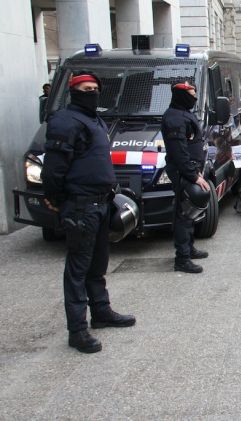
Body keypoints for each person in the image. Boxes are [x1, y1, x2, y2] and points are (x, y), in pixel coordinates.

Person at [41, 71, 135, 353]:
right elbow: (54, 169)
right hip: (81, 204)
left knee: (98, 264)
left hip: (101, 202)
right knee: (78, 270)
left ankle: (101, 311)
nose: (91, 92)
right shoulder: (65, 121)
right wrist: (56, 200)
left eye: (95, 87)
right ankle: (78, 330)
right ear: (74, 91)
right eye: (85, 88)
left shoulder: (94, 119)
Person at [162, 82, 211, 274]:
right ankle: (182, 258)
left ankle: (189, 248)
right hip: (184, 171)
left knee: (190, 212)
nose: (195, 97)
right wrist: (192, 174)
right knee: (183, 214)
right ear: (181, 95)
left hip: (191, 169)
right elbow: (179, 151)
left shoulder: (183, 113)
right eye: (191, 94)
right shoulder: (174, 117)